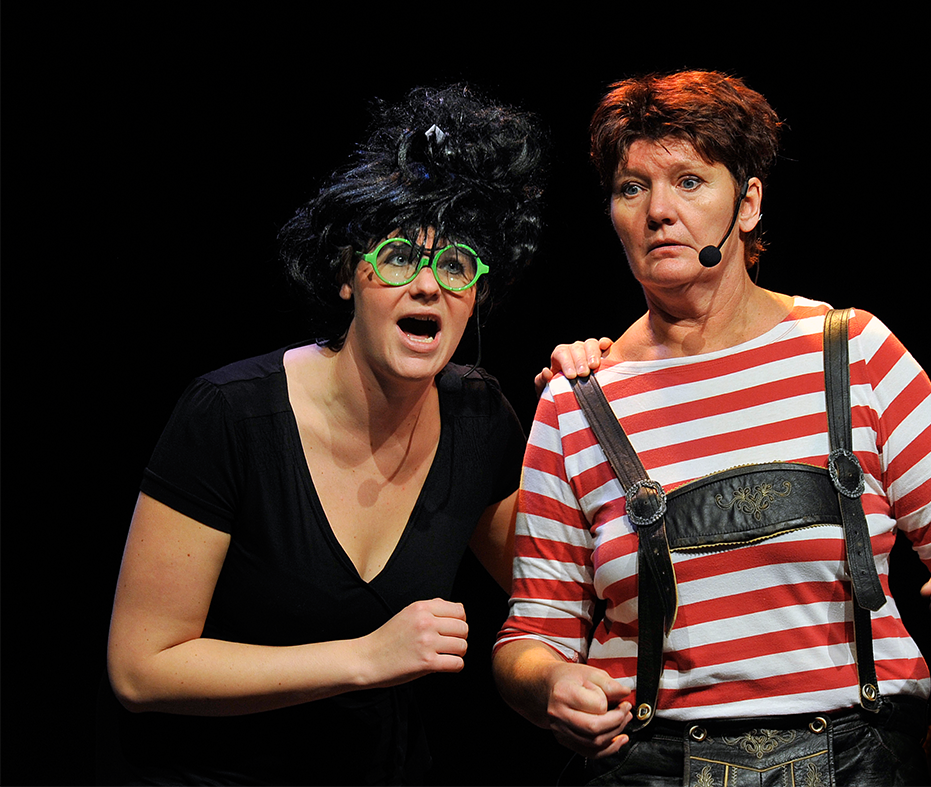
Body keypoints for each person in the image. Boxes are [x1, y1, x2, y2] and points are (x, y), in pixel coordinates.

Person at [492, 70, 931, 786]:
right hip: (651, 765)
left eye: (690, 182)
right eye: (632, 188)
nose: (659, 211)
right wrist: (549, 684)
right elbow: (532, 633)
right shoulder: (577, 402)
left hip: (857, 760)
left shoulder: (855, 354)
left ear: (747, 203)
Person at [106, 83, 584, 785]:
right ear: (345, 275)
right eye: (398, 256)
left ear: (478, 294)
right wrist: (366, 657)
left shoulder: (479, 419)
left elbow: (560, 581)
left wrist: (604, 399)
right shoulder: (230, 415)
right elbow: (140, 668)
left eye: (455, 265)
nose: (428, 285)